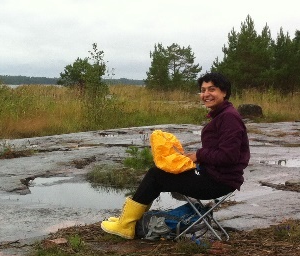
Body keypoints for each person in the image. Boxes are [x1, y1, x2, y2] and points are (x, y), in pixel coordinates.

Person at [101, 71, 250, 239]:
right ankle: (129, 221)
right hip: (215, 176)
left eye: (212, 89)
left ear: (224, 92)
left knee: (156, 175)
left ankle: (126, 225)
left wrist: (198, 155)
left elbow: (228, 156)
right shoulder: (222, 115)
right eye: (203, 90)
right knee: (162, 173)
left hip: (219, 182)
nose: (206, 94)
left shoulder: (229, 118)